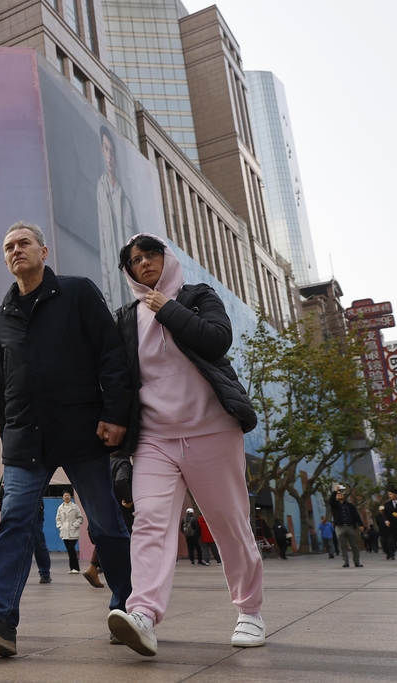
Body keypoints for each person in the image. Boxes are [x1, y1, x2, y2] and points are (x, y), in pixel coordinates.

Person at [0, 222, 133, 658]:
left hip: (82, 431)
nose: (16, 250)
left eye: (24, 243)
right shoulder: (2, 318)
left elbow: (111, 353)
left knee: (106, 520)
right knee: (14, 521)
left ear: (44, 251)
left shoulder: (77, 293)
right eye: (9, 246)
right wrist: (7, 439)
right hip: (25, 440)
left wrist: (114, 414)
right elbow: (3, 387)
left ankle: (129, 609)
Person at [106, 233, 265, 657]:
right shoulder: (126, 317)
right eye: (134, 260)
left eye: (150, 255)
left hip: (212, 429)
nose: (143, 264)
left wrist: (169, 309)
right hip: (155, 437)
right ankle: (142, 614)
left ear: (167, 258)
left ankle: (250, 611)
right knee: (150, 521)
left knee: (230, 523)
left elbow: (217, 340)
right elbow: (118, 378)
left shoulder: (197, 296)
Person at [97, 125, 138, 309]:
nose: (109, 156)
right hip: (113, 291)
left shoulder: (127, 202)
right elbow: (104, 249)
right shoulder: (100, 191)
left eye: (112, 152)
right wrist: (107, 296)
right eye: (105, 149)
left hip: (131, 289)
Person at [83, 453, 135, 589]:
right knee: (126, 540)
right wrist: (128, 499)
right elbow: (121, 480)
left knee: (106, 539)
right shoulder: (123, 463)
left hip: (103, 505)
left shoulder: (107, 460)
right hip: (120, 508)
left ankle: (93, 569)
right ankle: (128, 577)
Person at [0, 476, 52, 583]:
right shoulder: (7, 473)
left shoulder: (31, 470)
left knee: (38, 542)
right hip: (12, 509)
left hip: (34, 510)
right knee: (11, 542)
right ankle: (12, 574)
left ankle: (45, 573)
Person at [328, 485, 364, 568]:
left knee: (354, 545)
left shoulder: (349, 505)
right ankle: (345, 562)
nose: (340, 494)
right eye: (338, 494)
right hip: (339, 527)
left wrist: (361, 524)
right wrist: (335, 491)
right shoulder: (335, 505)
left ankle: (357, 561)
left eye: (341, 493)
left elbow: (356, 515)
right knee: (342, 545)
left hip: (350, 527)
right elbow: (331, 501)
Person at [55, 491, 83, 574]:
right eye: (65, 495)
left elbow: (80, 518)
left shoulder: (75, 507)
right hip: (64, 532)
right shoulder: (60, 508)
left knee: (71, 548)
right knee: (69, 550)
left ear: (70, 497)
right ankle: (72, 568)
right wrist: (61, 527)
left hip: (73, 531)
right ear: (62, 497)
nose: (67, 497)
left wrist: (74, 525)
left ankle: (75, 568)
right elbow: (58, 519)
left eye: (68, 495)